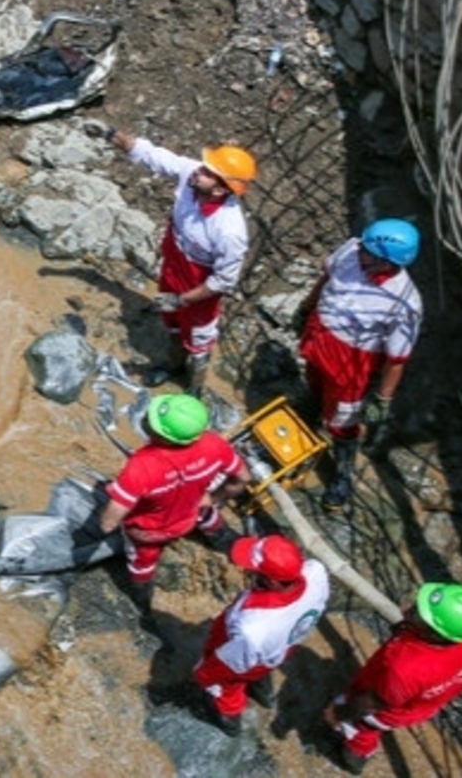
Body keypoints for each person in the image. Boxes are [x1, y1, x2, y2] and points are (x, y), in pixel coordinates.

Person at [103, 126, 255, 395]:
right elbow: (154, 157)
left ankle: (195, 387)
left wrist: (184, 300)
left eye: (209, 172)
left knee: (199, 339)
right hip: (174, 268)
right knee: (171, 321)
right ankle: (172, 366)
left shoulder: (229, 230)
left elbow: (223, 281)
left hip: (199, 289)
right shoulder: (192, 176)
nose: (199, 170)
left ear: (221, 190)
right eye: (204, 166)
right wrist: (117, 137)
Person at [75, 393, 252, 623]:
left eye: (151, 420)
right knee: (208, 516)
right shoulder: (214, 444)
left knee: (142, 563)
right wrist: (214, 497)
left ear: (164, 436)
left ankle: (143, 603)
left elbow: (108, 523)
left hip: (150, 531)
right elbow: (243, 477)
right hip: (192, 512)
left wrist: (103, 523)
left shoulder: (141, 467)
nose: (147, 419)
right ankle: (230, 544)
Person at [298, 219, 423, 511]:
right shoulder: (353, 250)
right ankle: (312, 408)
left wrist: (383, 398)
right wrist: (307, 306)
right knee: (313, 378)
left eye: (368, 251)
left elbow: (397, 358)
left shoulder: (404, 303)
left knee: (344, 419)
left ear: (386, 262)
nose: (359, 251)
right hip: (321, 336)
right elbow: (327, 277)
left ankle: (342, 473)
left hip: (353, 360)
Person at [323, 582, 462, 773]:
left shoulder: (406, 668)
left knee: (361, 727)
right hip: (422, 702)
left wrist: (338, 714)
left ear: (436, 634)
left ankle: (356, 756)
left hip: (387, 708)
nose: (407, 610)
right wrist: (410, 628)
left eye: (419, 615)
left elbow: (371, 703)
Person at [193, 534, 330, 736]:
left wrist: (203, 675)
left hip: (247, 650)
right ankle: (263, 694)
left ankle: (229, 719)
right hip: (281, 647)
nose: (247, 569)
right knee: (262, 667)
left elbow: (227, 664)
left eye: (256, 570)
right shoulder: (316, 573)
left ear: (273, 582)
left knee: (225, 687)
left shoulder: (254, 627)